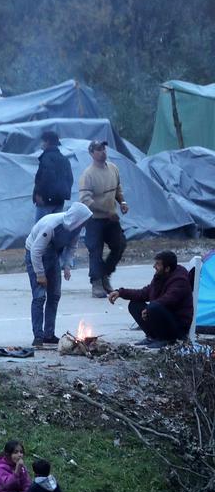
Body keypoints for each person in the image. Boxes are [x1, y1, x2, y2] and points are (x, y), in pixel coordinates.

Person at [25, 202, 92, 347]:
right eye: (85, 220)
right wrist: (40, 274)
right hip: (35, 256)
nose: (86, 223)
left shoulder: (76, 228)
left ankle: (49, 335)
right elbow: (36, 251)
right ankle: (38, 336)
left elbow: (72, 246)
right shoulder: (51, 226)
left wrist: (67, 265)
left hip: (52, 255)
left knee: (54, 295)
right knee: (39, 296)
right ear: (76, 218)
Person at [108, 251, 193, 347]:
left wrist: (149, 308)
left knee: (154, 307)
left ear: (167, 268)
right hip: (162, 319)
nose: (154, 266)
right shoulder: (160, 276)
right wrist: (120, 293)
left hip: (177, 327)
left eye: (158, 264)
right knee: (135, 305)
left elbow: (168, 299)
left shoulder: (180, 281)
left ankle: (166, 339)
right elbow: (144, 293)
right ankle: (153, 337)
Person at [78, 140, 129, 298]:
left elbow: (117, 189)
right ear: (92, 153)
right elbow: (85, 200)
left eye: (104, 149)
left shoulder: (113, 168)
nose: (102, 152)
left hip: (111, 218)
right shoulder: (88, 174)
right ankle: (97, 282)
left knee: (120, 245)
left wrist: (122, 202)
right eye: (98, 150)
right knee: (95, 251)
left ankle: (105, 274)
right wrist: (106, 211)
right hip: (95, 220)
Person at [32, 131, 73, 222]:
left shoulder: (46, 157)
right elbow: (70, 179)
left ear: (47, 142)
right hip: (59, 200)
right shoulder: (64, 159)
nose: (41, 144)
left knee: (41, 229)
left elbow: (47, 177)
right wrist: (63, 194)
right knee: (55, 228)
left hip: (45, 201)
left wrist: (39, 194)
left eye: (42, 141)